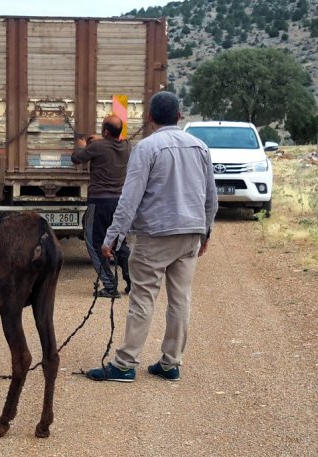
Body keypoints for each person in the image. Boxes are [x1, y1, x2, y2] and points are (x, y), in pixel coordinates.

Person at [85, 91, 218, 382]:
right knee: (180, 299)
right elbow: (211, 196)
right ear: (179, 117)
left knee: (143, 297)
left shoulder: (147, 148)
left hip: (154, 234)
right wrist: (206, 231)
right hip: (190, 234)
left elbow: (129, 199)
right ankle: (171, 363)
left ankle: (124, 364)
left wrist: (111, 238)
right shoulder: (200, 147)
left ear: (150, 117)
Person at [71, 114, 131, 298]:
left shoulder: (96, 147)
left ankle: (109, 286)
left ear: (105, 131)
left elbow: (76, 158)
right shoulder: (127, 146)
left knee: (94, 242)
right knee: (119, 243)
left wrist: (81, 143)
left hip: (99, 202)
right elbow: (111, 143)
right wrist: (100, 139)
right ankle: (132, 281)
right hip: (119, 204)